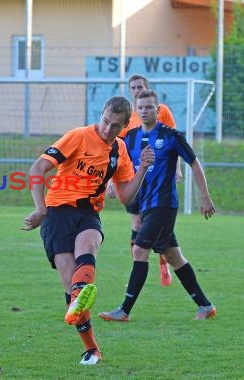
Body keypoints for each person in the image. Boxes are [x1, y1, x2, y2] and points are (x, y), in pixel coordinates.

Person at [21, 96, 155, 365]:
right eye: (105, 121)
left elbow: (125, 196)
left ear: (125, 126)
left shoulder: (119, 151)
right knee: (70, 285)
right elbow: (39, 167)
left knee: (89, 245)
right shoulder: (78, 136)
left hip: (88, 213)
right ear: (101, 114)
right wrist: (40, 208)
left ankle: (80, 293)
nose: (107, 129)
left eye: (115, 126)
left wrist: (142, 169)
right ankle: (91, 347)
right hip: (56, 212)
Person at [98, 90, 216, 323]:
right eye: (140, 107)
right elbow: (120, 164)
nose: (144, 110)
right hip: (144, 205)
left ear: (158, 109)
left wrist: (205, 197)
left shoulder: (171, 136)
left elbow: (194, 163)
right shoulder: (129, 137)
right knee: (174, 256)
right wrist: (112, 183)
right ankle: (205, 305)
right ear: (136, 109)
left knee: (139, 250)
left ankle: (124, 310)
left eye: (149, 107)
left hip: (164, 205)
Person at [109, 74, 180, 287]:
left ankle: (163, 264)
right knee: (137, 223)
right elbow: (117, 151)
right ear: (130, 91)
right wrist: (113, 181)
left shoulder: (162, 111)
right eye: (133, 87)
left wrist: (175, 169)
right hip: (132, 179)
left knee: (156, 223)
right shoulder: (127, 118)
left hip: (157, 180)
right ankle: (136, 271)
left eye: (140, 86)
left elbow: (173, 142)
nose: (137, 89)